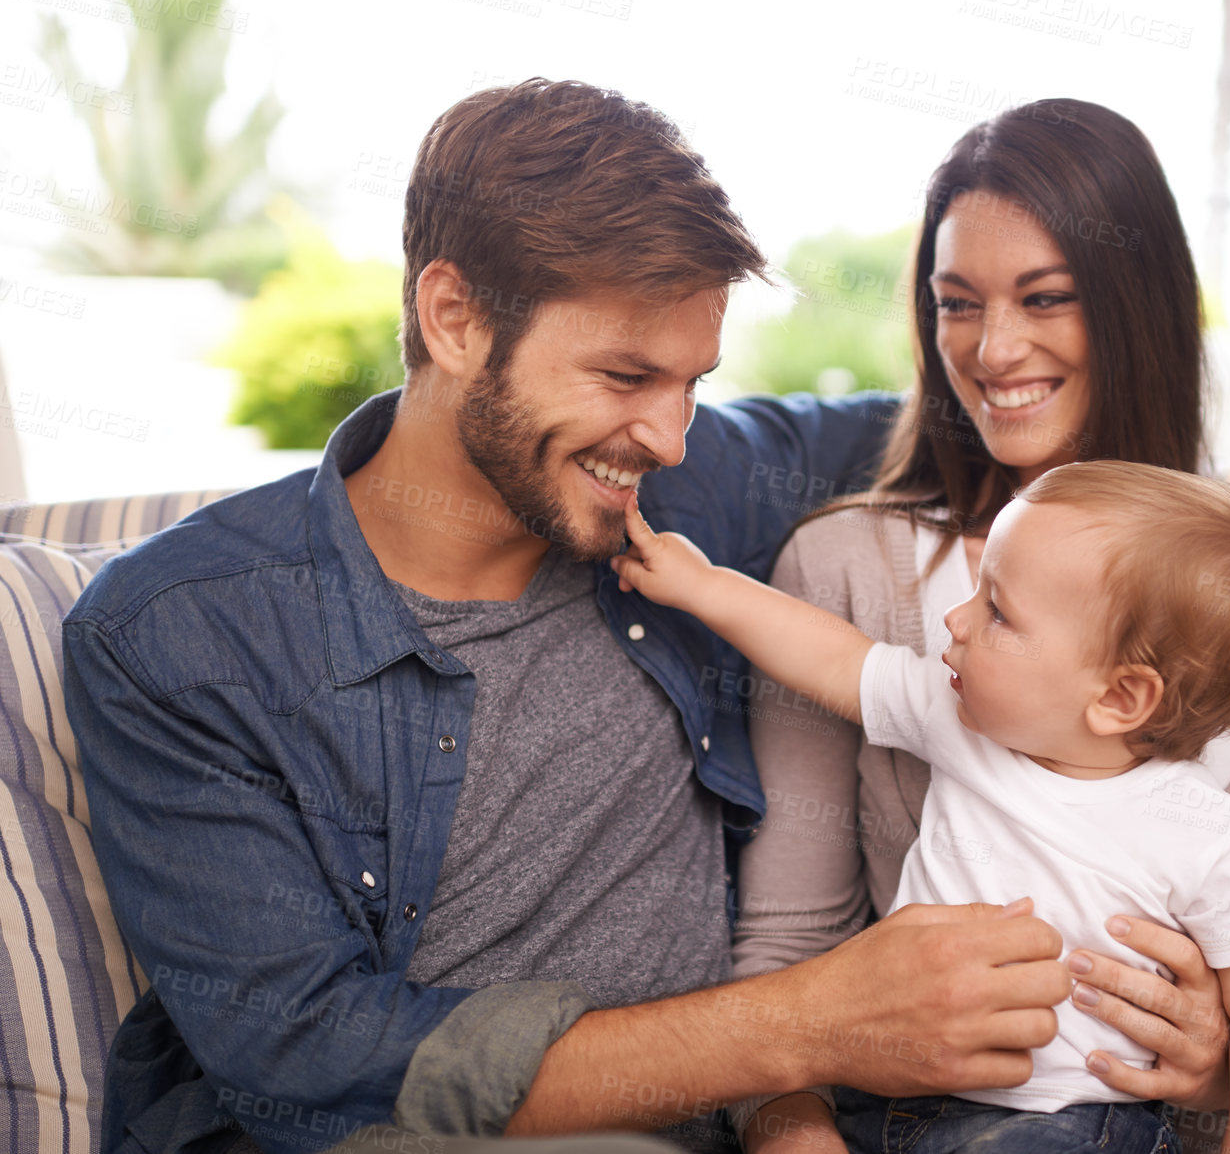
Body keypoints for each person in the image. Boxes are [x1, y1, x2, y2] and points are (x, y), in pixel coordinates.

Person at [60, 78, 1078, 1154]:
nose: (671, 435)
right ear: (454, 319)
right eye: (625, 374)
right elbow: (308, 1054)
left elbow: (975, 413)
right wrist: (809, 1026)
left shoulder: (687, 493)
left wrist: (1208, 1022)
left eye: (692, 382)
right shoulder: (178, 638)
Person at [729, 100, 1230, 1154]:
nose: (992, 351)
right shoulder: (846, 571)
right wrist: (795, 1140)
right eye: (956, 304)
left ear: (1140, 310)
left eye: (1047, 298)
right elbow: (783, 958)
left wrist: (1222, 1072)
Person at [610, 460, 1230, 1154]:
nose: (954, 618)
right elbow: (834, 659)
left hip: (1062, 1125)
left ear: (1117, 698)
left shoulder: (1211, 835)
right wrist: (703, 587)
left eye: (997, 610)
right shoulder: (956, 717)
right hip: (879, 1096)